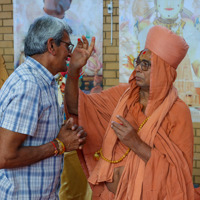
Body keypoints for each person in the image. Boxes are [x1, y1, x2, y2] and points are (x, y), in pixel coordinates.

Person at [65, 25, 196, 199]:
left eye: (146, 64)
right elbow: (77, 107)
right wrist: (73, 70)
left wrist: (136, 143)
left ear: (163, 71)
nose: (139, 68)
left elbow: (179, 175)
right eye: (139, 62)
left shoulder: (178, 112)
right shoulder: (122, 95)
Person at [0, 15, 95, 199]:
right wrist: (59, 144)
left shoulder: (44, 81)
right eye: (68, 46)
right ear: (51, 46)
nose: (69, 53)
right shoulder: (30, 85)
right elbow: (4, 156)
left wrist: (74, 69)